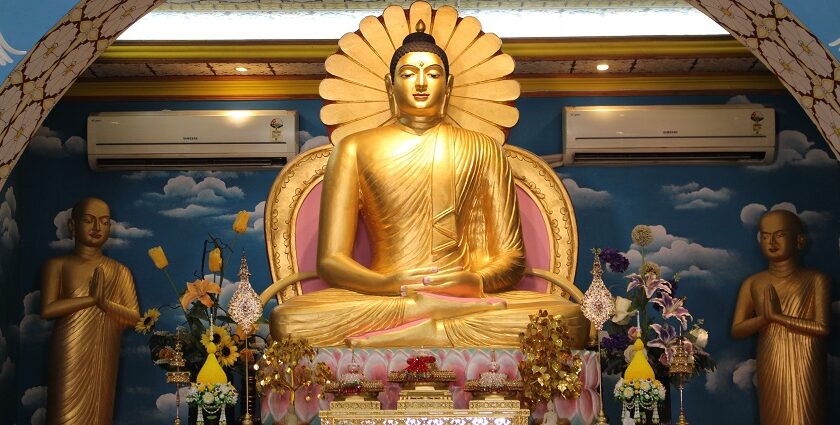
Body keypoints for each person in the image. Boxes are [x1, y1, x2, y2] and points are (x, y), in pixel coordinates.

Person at [269, 23, 588, 348]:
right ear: (388, 84)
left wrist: (474, 281)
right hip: (389, 297)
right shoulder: (353, 148)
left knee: (568, 319)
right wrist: (386, 284)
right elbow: (331, 260)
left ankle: (413, 333)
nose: (421, 83)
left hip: (465, 298)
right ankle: (431, 324)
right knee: (290, 320)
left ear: (448, 85)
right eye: (408, 74)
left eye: (433, 74)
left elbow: (511, 259)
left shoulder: (485, 148)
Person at [41, 197, 140, 425]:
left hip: (106, 346)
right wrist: (90, 299)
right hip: (70, 346)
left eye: (104, 222)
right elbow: (47, 309)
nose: (97, 228)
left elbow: (134, 317)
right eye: (88, 220)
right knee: (63, 407)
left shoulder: (120, 271)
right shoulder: (58, 265)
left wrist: (104, 304)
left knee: (101, 408)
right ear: (73, 226)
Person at [731, 209, 830, 425]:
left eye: (780, 234)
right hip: (771, 356)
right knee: (774, 413)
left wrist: (778, 317)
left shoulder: (816, 279)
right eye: (765, 236)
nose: (771, 241)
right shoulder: (753, 283)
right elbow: (737, 330)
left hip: (808, 360)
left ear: (800, 240)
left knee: (806, 412)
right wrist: (764, 319)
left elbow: (823, 327)